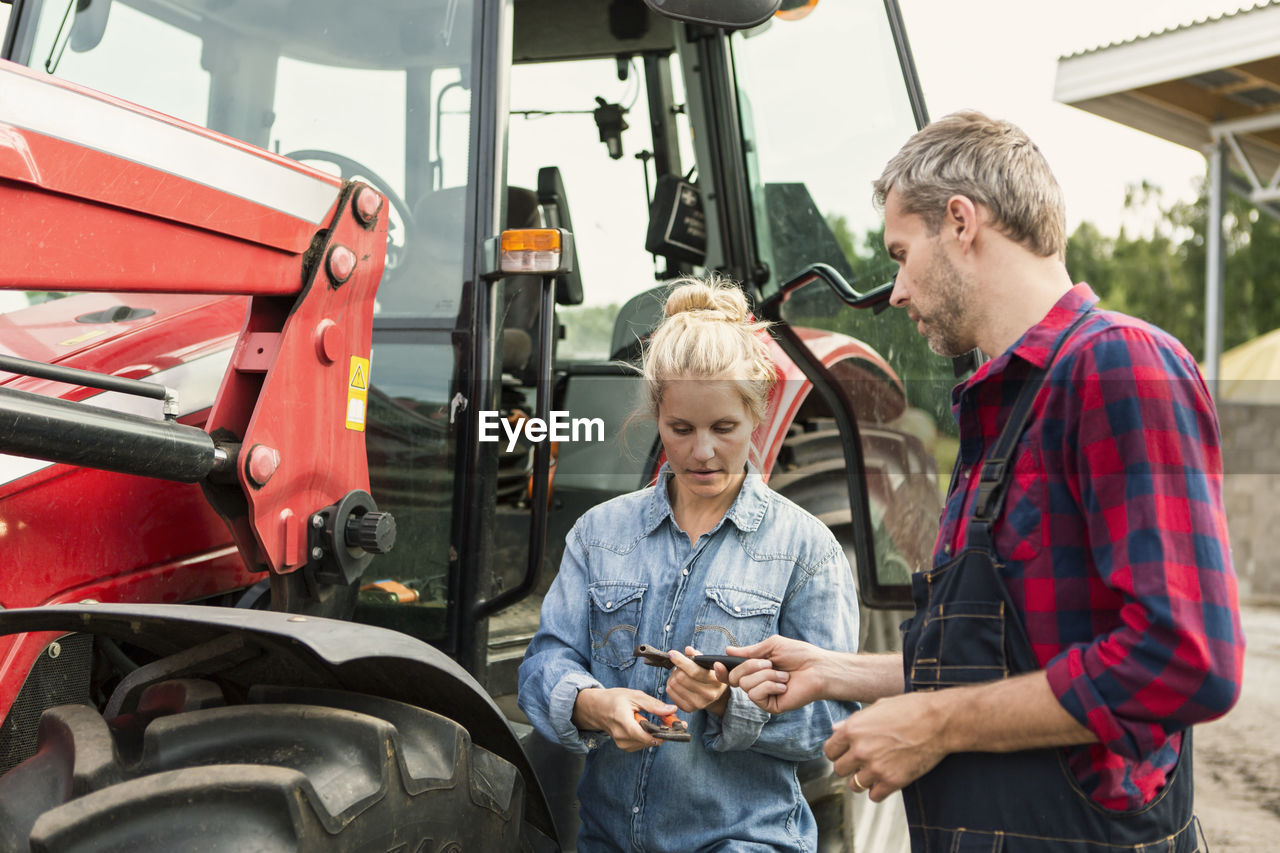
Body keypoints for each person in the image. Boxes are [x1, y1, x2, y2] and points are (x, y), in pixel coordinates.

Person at [722, 111, 1245, 852]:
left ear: (961, 222)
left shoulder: (1117, 366)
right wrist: (837, 669)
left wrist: (931, 723)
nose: (897, 291)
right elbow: (1008, 655)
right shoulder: (1003, 409)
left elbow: (1185, 661)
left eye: (902, 254)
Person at [517, 276, 861, 852]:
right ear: (657, 416)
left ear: (756, 412)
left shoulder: (808, 551)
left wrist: (728, 702)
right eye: (681, 429)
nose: (702, 451)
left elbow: (830, 725)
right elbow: (543, 662)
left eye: (723, 428)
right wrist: (594, 703)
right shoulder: (599, 535)